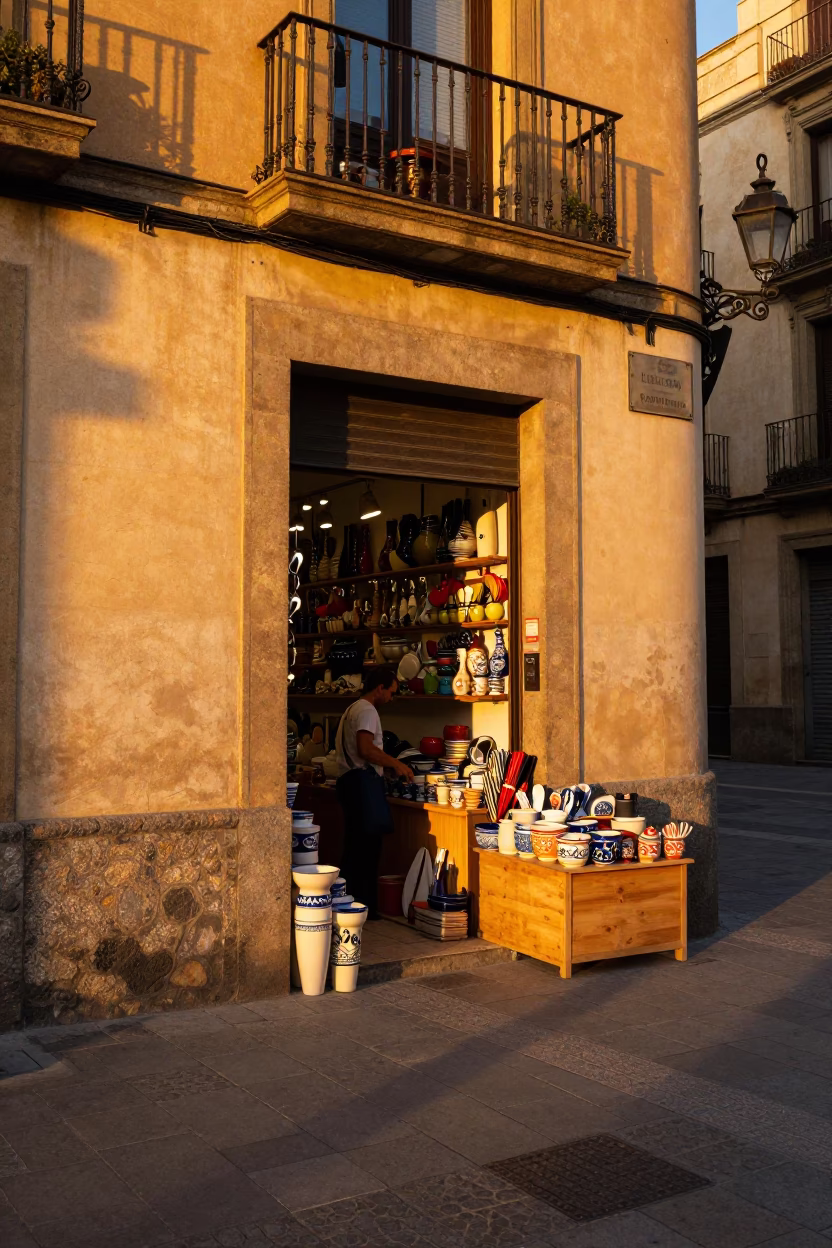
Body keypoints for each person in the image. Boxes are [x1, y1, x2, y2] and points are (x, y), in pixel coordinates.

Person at [334, 667, 414, 918]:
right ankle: (365, 905)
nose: (392, 698)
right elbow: (366, 749)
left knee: (353, 846)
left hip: (348, 783)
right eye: (391, 692)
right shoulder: (368, 711)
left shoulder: (353, 708)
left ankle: (347, 903)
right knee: (367, 848)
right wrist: (396, 763)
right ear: (380, 688)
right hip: (362, 786)